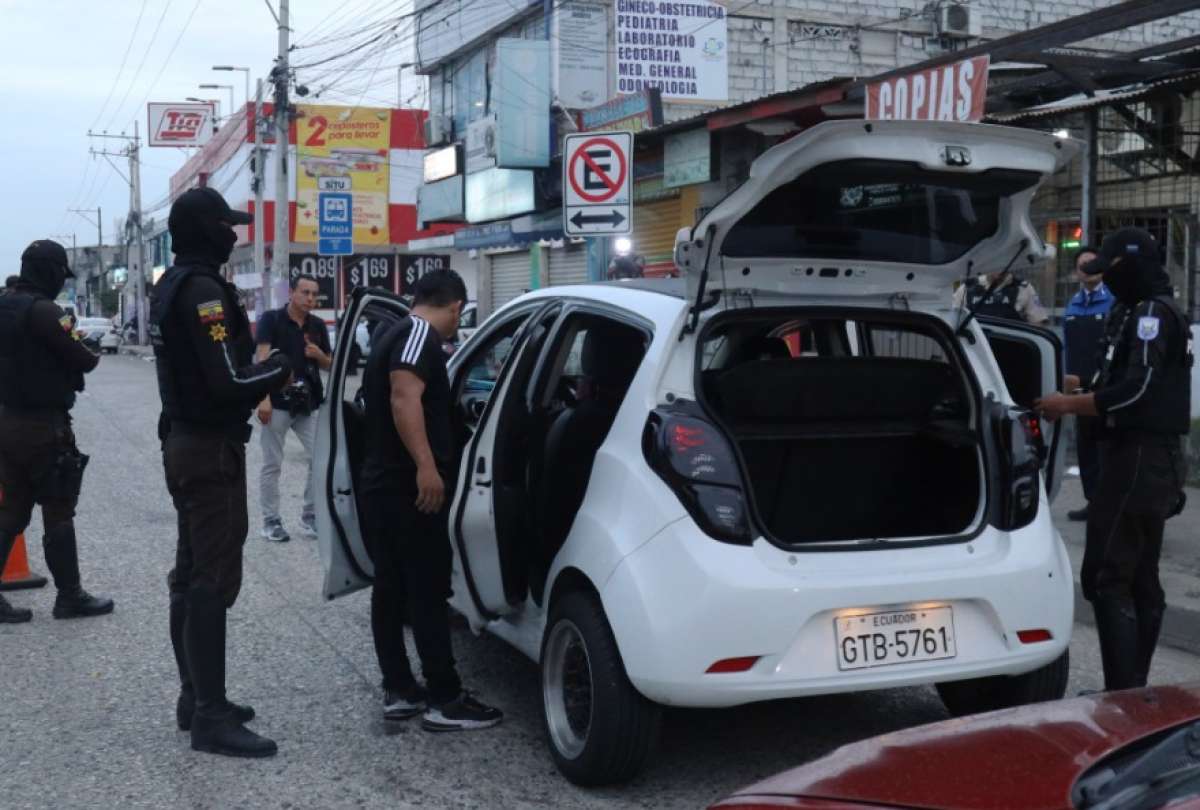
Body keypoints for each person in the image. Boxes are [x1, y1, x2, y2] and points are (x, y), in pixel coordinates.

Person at [151, 187, 292, 757]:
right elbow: (224, 382)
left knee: (189, 575)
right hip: (208, 449)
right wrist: (280, 371)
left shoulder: (173, 284)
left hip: (185, 443)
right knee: (210, 580)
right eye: (227, 226)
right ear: (207, 230)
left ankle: (197, 697)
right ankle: (210, 715)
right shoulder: (203, 289)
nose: (235, 234)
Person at [1036, 227, 1191, 692]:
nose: (1108, 280)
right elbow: (1121, 381)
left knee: (1107, 574)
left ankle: (1122, 697)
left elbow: (1138, 390)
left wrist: (1070, 405)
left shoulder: (1151, 314)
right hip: (1143, 457)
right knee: (1138, 574)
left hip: (1141, 457)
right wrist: (1078, 388)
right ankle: (1133, 694)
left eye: (1112, 270)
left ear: (1132, 266)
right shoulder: (1138, 310)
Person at [361, 269, 503, 731]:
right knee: (424, 590)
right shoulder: (417, 334)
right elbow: (405, 398)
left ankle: (400, 689)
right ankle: (445, 697)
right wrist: (426, 465)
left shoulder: (392, 333)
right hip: (408, 490)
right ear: (456, 306)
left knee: (392, 588)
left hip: (383, 486)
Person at [0, 240, 113, 624]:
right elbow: (87, 358)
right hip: (43, 426)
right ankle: (70, 596)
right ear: (49, 272)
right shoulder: (49, 312)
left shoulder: (4, 304)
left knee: (12, 511)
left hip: (7, 421)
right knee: (58, 509)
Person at [254, 274, 332, 543]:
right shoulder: (272, 320)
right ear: (292, 293)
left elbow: (329, 364)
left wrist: (319, 355)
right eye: (305, 292)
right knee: (272, 463)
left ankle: (310, 515)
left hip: (307, 403)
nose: (310, 298)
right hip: (276, 402)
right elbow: (261, 359)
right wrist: (262, 398)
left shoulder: (318, 326)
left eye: (314, 294)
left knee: (320, 458)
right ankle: (271, 521)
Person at [1062, 246, 1115, 522]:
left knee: (1107, 446)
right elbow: (1067, 346)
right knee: (1085, 445)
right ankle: (1093, 500)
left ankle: (1109, 502)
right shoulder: (1073, 303)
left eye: (1092, 262)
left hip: (1106, 387)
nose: (1087, 268)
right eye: (1082, 264)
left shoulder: (1113, 302)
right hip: (1078, 387)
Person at [953, 269, 1049, 325]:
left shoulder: (1024, 288)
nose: (999, 270)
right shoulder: (967, 288)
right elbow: (953, 321)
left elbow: (1038, 322)